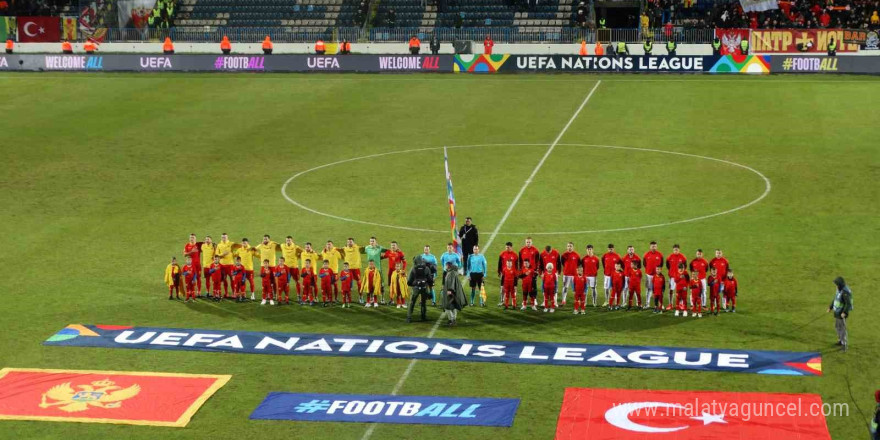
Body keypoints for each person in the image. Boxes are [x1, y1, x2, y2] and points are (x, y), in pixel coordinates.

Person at [407, 255, 433, 322]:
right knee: (423, 303)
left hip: (415, 288)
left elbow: (409, 281)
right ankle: (423, 317)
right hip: (424, 287)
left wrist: (413, 285)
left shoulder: (413, 268)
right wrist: (430, 290)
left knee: (412, 302)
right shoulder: (426, 268)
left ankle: (409, 318)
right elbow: (430, 280)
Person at [442, 261, 468, 325]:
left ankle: (452, 320)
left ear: (448, 266)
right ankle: (452, 320)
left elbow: (451, 282)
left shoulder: (451, 273)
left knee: (448, 306)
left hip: (451, 292)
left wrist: (450, 290)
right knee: (453, 306)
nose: (445, 266)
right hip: (453, 292)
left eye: (446, 265)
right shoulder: (452, 272)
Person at [642, 241, 663, 309]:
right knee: (648, 289)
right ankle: (647, 304)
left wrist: (657, 272)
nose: (653, 247)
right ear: (650, 247)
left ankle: (660, 305)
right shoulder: (646, 255)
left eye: (654, 246)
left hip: (657, 276)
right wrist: (649, 270)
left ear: (656, 247)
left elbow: (661, 264)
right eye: (652, 246)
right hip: (649, 275)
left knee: (658, 290)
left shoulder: (660, 255)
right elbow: (644, 263)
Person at [665, 244, 687, 310]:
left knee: (680, 291)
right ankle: (670, 304)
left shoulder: (683, 257)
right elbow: (667, 266)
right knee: (671, 290)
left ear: (679, 250)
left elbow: (685, 266)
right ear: (673, 250)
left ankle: (680, 304)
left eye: (677, 250)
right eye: (674, 250)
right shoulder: (669, 257)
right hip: (672, 277)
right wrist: (671, 272)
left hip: (680, 277)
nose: (676, 251)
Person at [214, 233, 235, 298]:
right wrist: (223, 254)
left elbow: (237, 249)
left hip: (230, 264)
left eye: (225, 237)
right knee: (224, 279)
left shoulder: (231, 244)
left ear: (227, 237)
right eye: (222, 237)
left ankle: (234, 293)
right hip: (222, 265)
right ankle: (226, 293)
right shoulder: (219, 245)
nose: (224, 238)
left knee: (232, 279)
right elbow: (216, 254)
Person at [560, 242, 580, 307]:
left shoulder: (577, 255)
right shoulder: (563, 255)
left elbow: (578, 264)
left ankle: (577, 300)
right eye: (568, 246)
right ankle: (563, 300)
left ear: (573, 247)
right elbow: (563, 263)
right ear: (566, 247)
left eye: (570, 246)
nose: (569, 247)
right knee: (565, 287)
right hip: (566, 274)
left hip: (574, 275)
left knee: (575, 288)